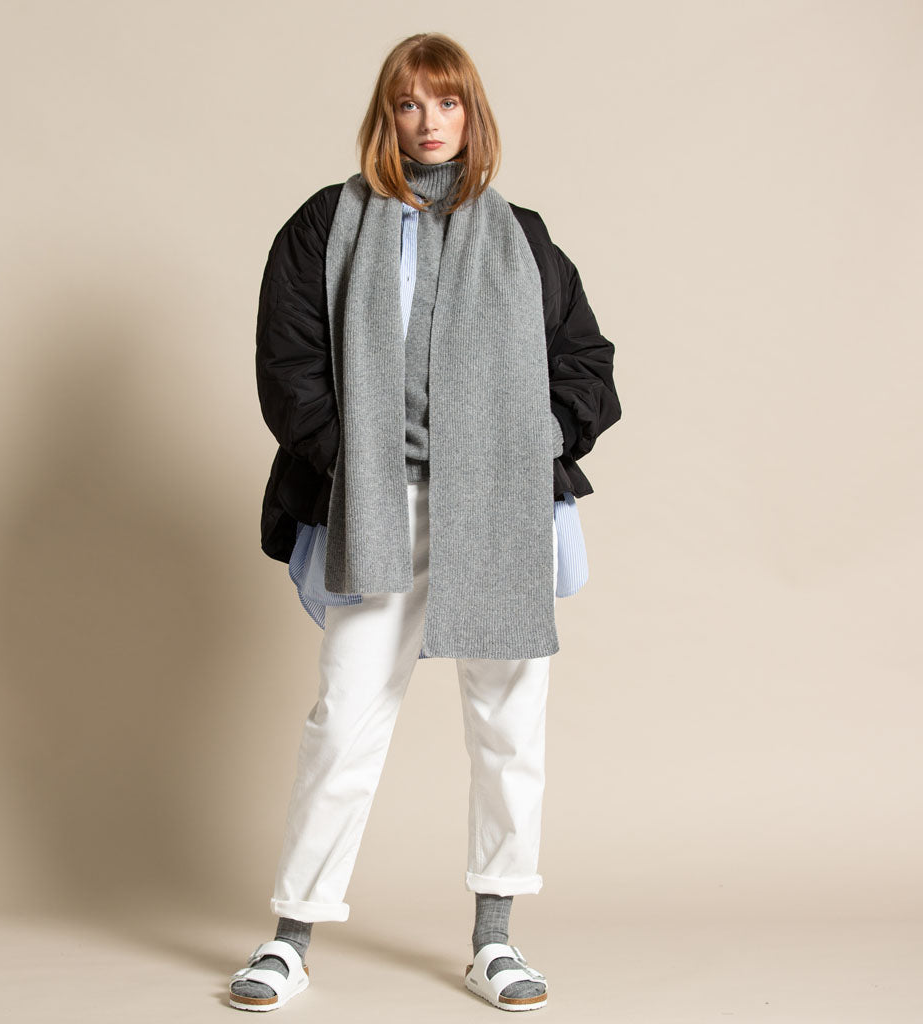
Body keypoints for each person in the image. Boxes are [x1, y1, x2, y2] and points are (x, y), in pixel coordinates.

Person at [229, 31, 621, 1013]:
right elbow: (288, 367)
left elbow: (586, 362)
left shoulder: (522, 237)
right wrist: (352, 459)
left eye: (447, 104)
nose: (429, 122)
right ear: (386, 117)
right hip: (380, 502)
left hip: (500, 505)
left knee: (508, 725)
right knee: (345, 718)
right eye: (409, 104)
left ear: (471, 115)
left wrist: (532, 439)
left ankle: (496, 941)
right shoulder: (325, 225)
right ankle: (289, 939)